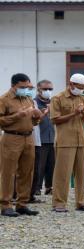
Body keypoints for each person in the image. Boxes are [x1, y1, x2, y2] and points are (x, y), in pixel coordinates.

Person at [50, 73, 84, 212]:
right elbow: (55, 119)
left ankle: (81, 202)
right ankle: (59, 203)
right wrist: (74, 113)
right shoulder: (57, 98)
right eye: (80, 87)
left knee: (81, 173)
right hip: (65, 140)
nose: (81, 90)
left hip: (81, 139)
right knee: (63, 173)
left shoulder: (83, 97)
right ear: (71, 84)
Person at [0, 73, 42, 217]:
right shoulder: (4, 100)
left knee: (26, 172)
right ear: (13, 85)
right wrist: (18, 116)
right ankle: (5, 205)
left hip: (28, 137)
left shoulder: (28, 98)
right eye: (22, 87)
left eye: (27, 86)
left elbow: (34, 121)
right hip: (11, 137)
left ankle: (22, 204)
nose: (25, 89)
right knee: (8, 172)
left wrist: (37, 117)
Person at [30, 80, 55, 200]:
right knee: (40, 165)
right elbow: (35, 120)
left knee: (52, 164)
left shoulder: (54, 102)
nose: (48, 91)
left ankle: (49, 187)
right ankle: (37, 188)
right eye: (45, 89)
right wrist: (46, 112)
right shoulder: (34, 102)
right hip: (41, 138)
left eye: (50, 89)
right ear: (39, 90)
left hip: (53, 138)